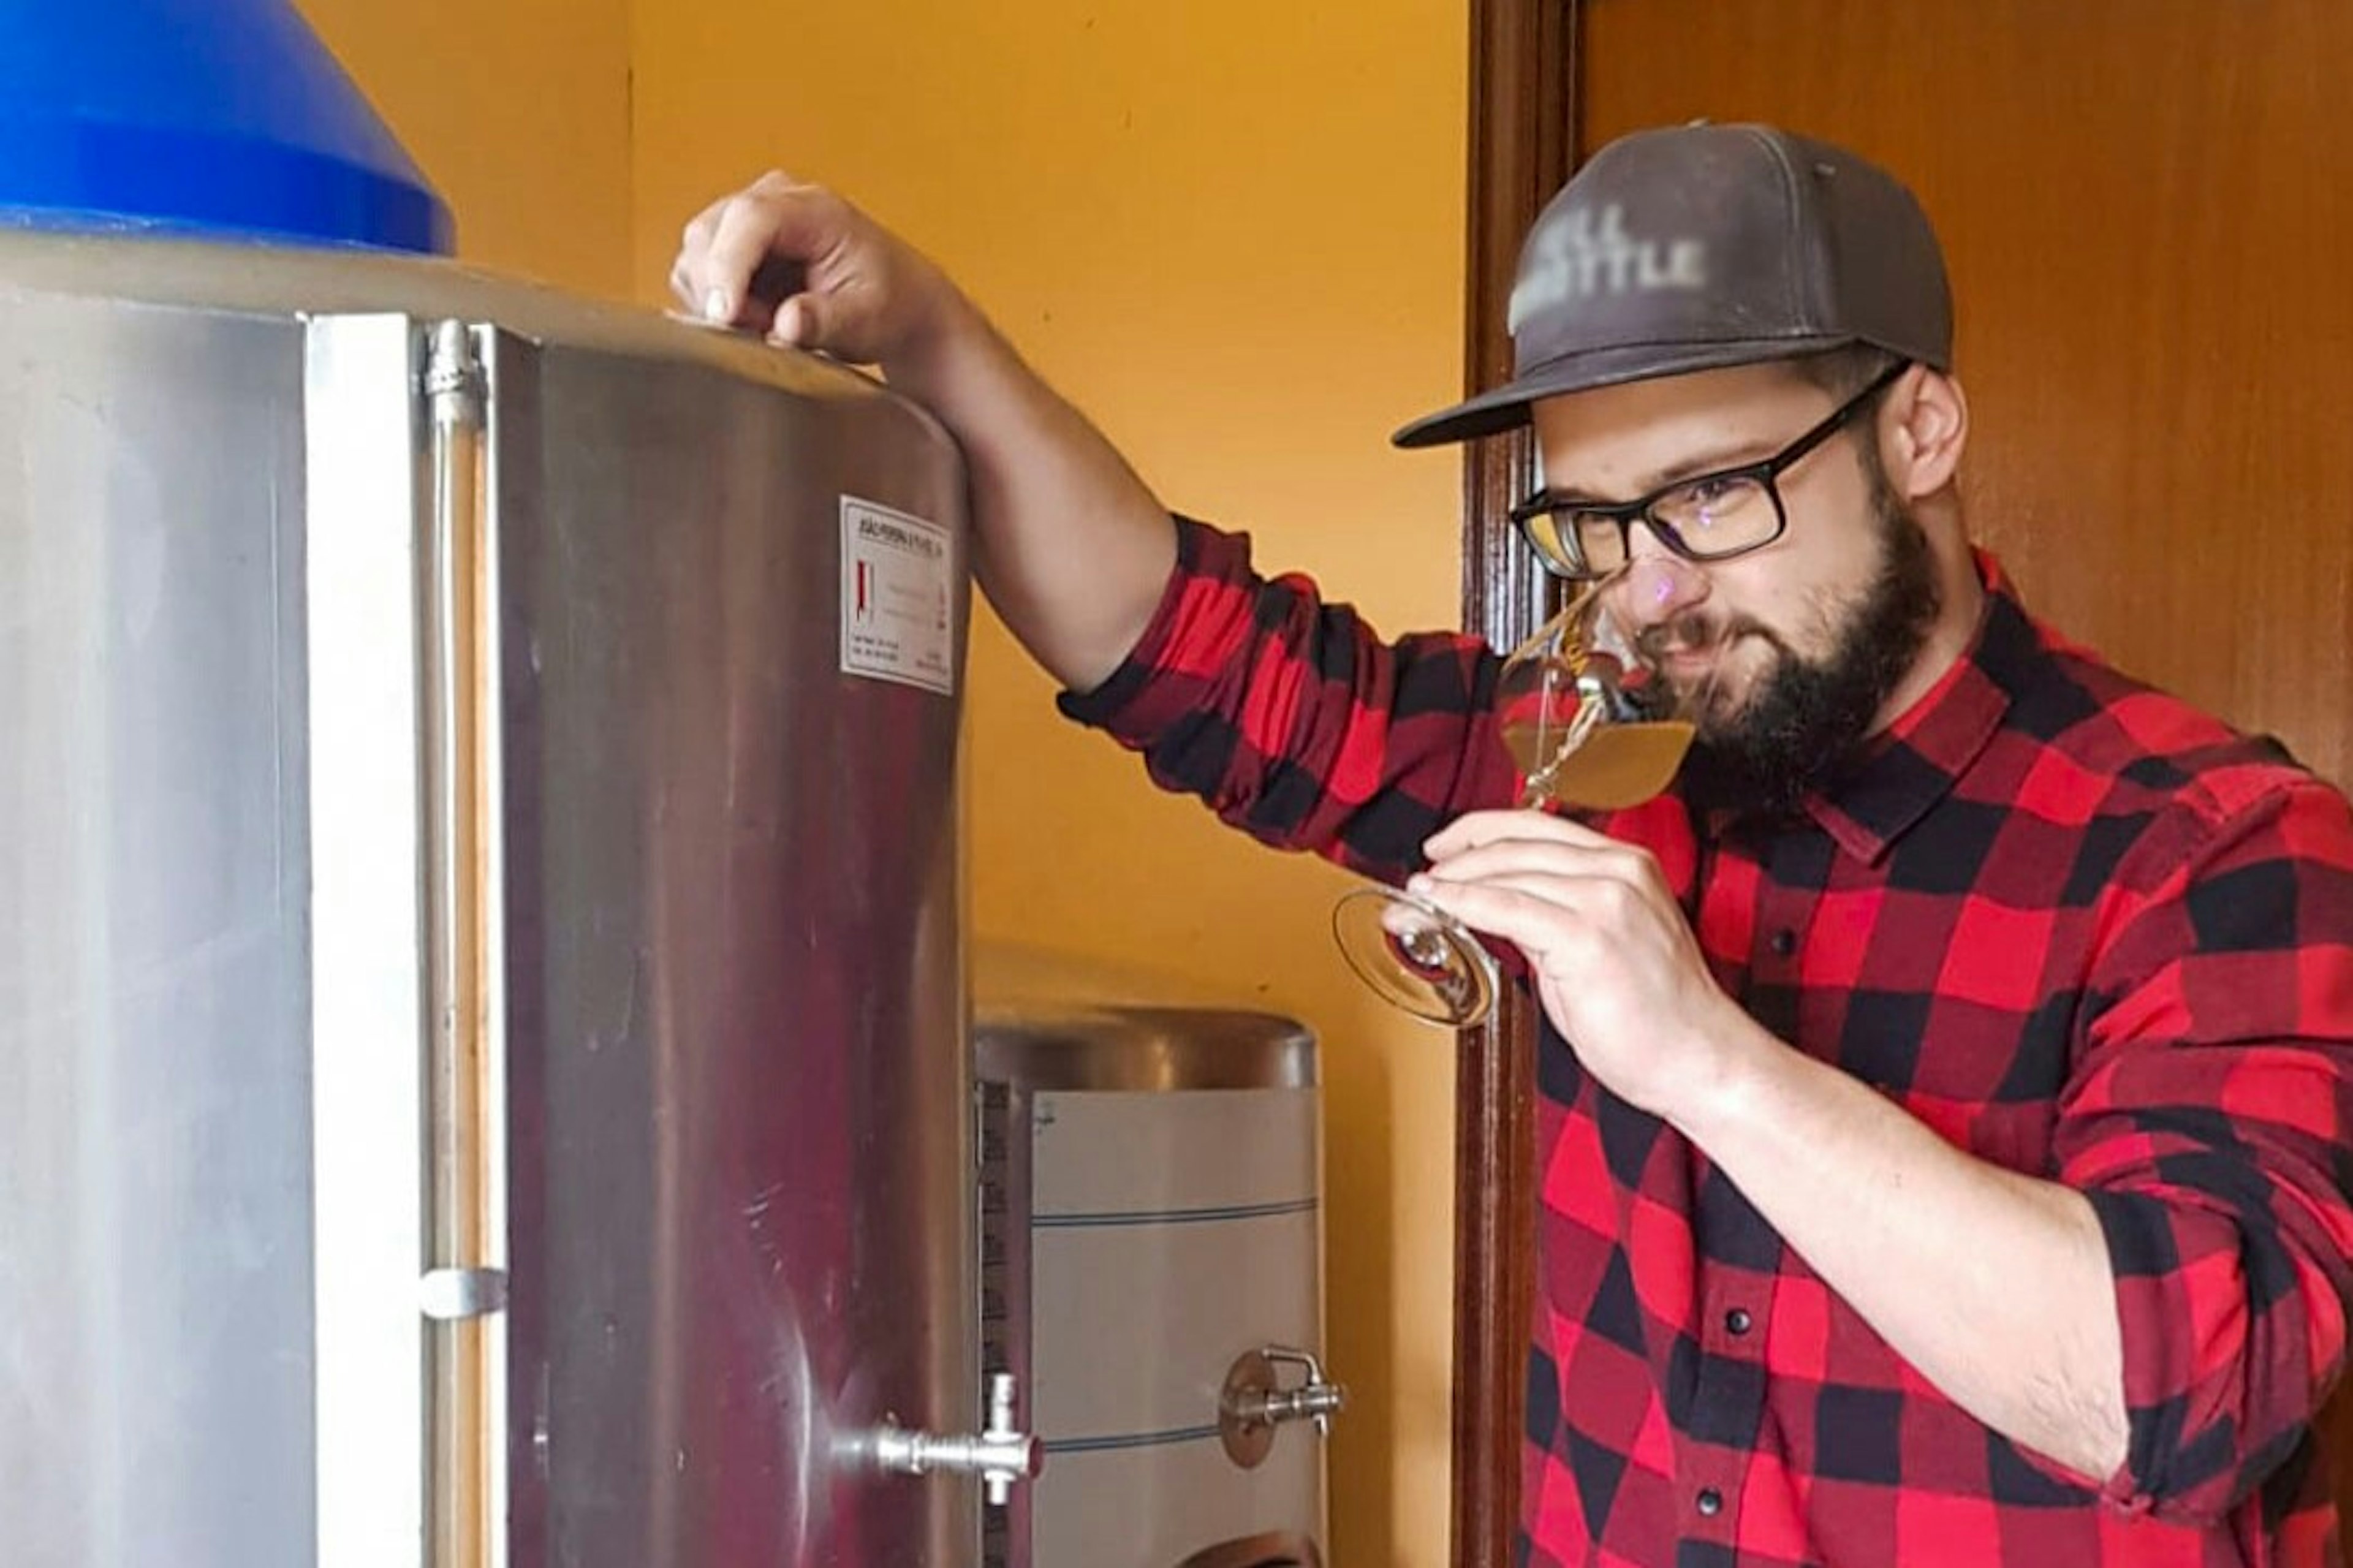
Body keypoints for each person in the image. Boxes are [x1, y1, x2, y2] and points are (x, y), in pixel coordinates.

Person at [672, 123, 2353, 1566]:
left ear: (1920, 429)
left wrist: (1703, 1057)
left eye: (1709, 495)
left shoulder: (2211, 849)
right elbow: (1187, 652)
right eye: (1599, 527)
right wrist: (927, 327)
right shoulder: (1590, 756)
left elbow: (2186, 1384)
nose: (1657, 592)